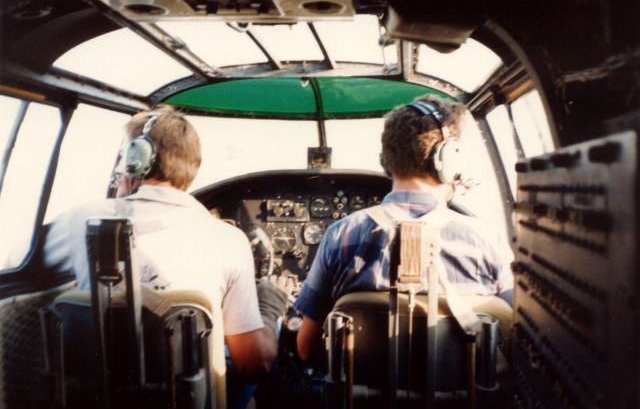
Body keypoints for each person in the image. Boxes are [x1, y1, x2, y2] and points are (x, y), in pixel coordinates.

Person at [41, 106, 286, 406]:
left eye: (122, 156)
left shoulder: (80, 220)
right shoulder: (228, 240)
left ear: (136, 158)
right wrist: (270, 310)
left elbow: (25, 263)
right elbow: (253, 365)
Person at [294, 95, 514, 361]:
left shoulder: (340, 234)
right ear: (449, 158)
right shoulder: (487, 241)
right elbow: (514, 332)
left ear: (386, 161)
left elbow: (306, 349)